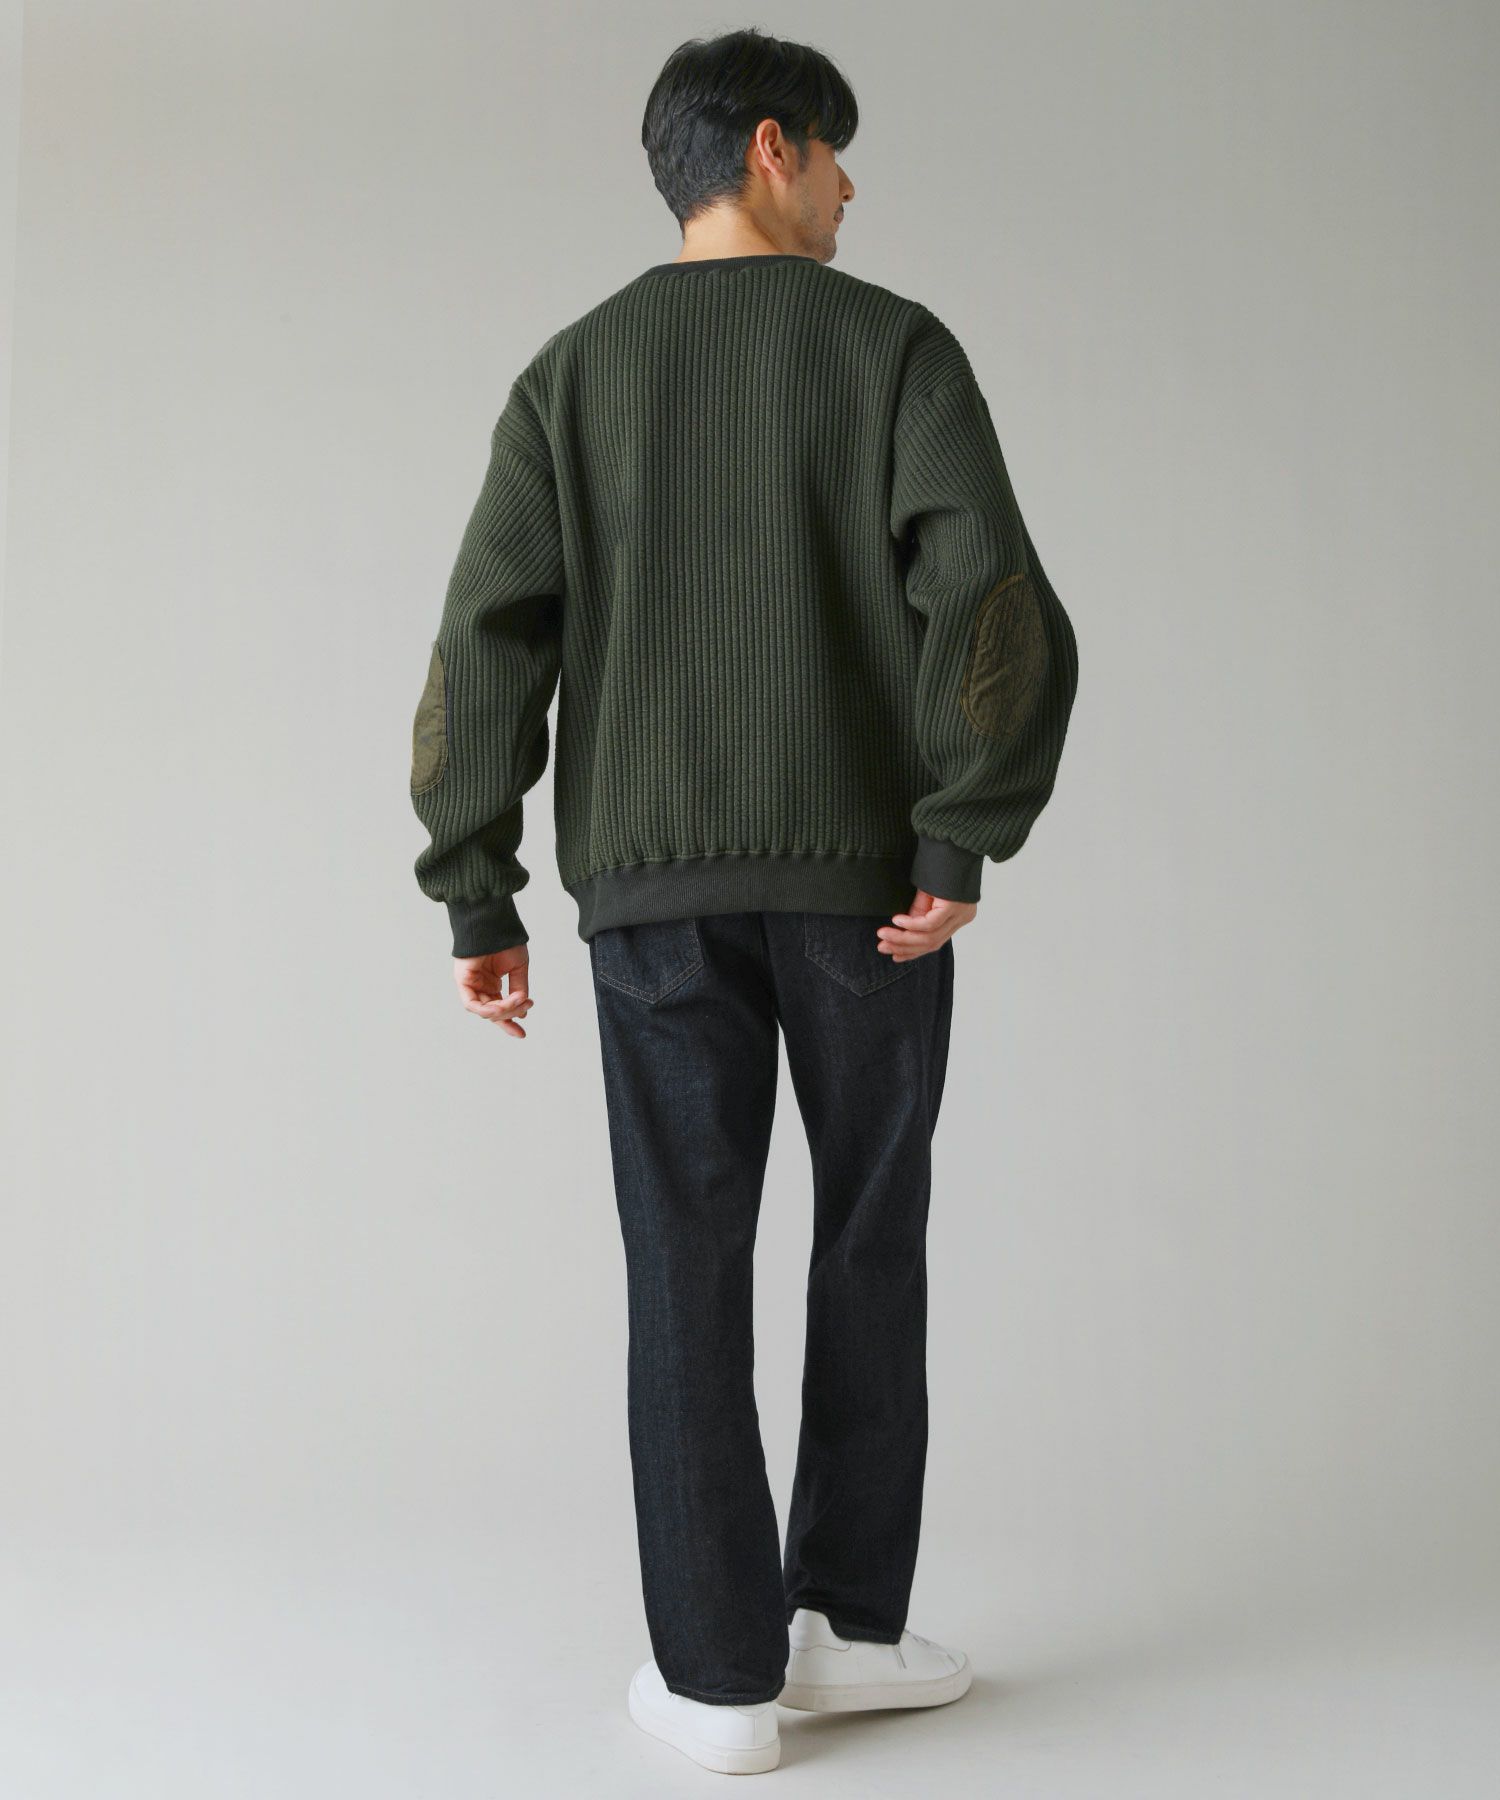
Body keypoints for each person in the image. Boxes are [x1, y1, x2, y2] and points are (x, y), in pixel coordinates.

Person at [408, 25, 1079, 1777]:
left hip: (649, 900)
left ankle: (718, 1682)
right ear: (771, 147)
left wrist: (478, 889)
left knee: (683, 1261)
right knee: (871, 1234)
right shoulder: (892, 348)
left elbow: (486, 637)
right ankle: (845, 1627)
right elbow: (991, 598)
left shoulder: (573, 374)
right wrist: (960, 834)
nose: (853, 187)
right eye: (837, 153)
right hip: (871, 891)